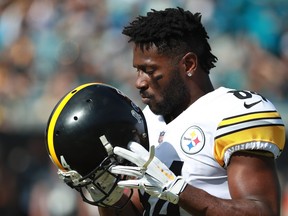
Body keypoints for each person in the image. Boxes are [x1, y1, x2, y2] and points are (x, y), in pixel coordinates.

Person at [45, 7, 286, 216]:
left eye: (149, 70)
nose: (139, 82)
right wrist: (108, 196)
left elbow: (262, 210)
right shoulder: (144, 121)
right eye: (137, 70)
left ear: (188, 64)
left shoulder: (233, 111)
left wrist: (179, 190)